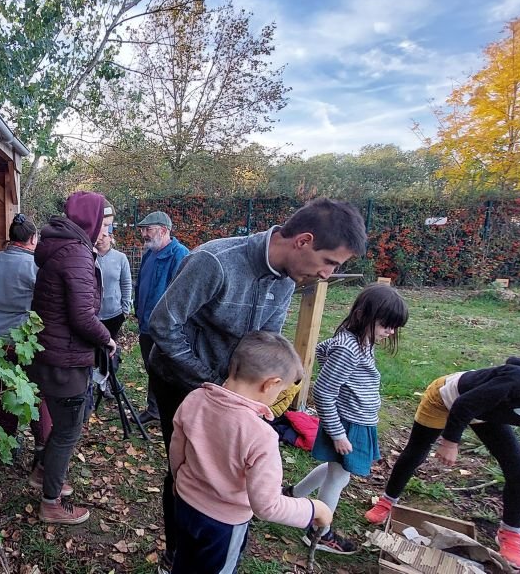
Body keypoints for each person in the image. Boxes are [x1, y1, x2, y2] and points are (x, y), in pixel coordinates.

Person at [148, 198, 367, 572]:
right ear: (303, 241)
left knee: (227, 466)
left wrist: (272, 387)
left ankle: (217, 530)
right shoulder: (215, 261)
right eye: (329, 262)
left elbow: (267, 342)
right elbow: (163, 325)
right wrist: (215, 385)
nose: (327, 274)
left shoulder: (287, 279)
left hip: (238, 391)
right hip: (182, 383)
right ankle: (178, 551)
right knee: (186, 469)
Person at [364, 341, 520, 570]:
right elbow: (465, 403)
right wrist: (450, 441)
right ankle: (387, 501)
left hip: (487, 413)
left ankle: (511, 534)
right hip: (448, 398)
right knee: (416, 452)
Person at [170, 331, 333, 573]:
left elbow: (177, 449)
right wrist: (313, 509)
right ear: (270, 384)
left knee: (184, 560)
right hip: (223, 525)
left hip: (185, 504)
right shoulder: (261, 436)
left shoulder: (195, 399)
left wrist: (178, 481)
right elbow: (267, 506)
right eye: (281, 390)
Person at [284, 284, 408, 555]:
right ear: (365, 315)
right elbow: (323, 391)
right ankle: (319, 531)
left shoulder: (358, 342)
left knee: (337, 471)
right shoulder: (348, 348)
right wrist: (338, 433)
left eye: (394, 327)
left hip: (357, 422)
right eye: (386, 325)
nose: (391, 332)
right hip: (347, 425)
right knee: (338, 477)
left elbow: (323, 348)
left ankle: (293, 494)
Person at [28, 191, 117, 525]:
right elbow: (82, 316)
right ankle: (50, 503)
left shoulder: (61, 246)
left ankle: (42, 473)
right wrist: (107, 338)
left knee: (63, 424)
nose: (106, 231)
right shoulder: (77, 253)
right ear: (91, 221)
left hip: (51, 354)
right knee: (68, 429)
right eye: (105, 224)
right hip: (65, 360)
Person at [0, 213, 48, 459]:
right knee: (34, 390)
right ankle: (42, 446)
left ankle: (9, 441)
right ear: (32, 238)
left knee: (6, 387)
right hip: (22, 338)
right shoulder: (35, 266)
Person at [133, 211, 189, 424]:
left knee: (167, 371)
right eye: (142, 230)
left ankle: (172, 412)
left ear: (164, 230)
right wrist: (138, 311)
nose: (144, 234)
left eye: (148, 229)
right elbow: (141, 284)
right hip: (146, 325)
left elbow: (182, 295)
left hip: (166, 328)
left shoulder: (180, 255)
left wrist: (171, 325)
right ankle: (155, 409)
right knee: (152, 367)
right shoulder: (150, 253)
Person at [93, 199, 131, 401]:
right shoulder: (89, 257)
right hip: (94, 315)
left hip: (114, 314)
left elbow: (126, 283)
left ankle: (108, 381)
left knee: (110, 349)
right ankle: (94, 381)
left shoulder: (120, 258)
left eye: (105, 236)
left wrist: (125, 308)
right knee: (94, 350)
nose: (101, 240)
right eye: (99, 237)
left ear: (110, 237)